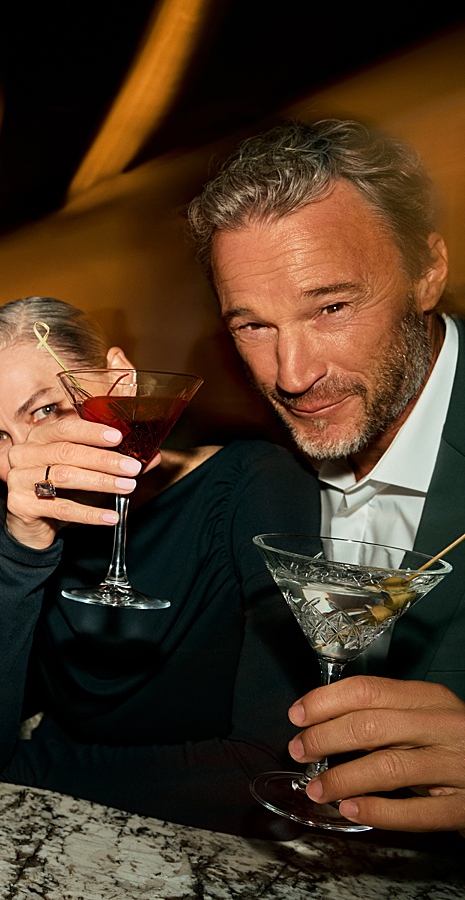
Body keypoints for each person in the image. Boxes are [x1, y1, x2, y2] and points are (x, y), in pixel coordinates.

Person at [0, 296, 319, 836]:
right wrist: (26, 545)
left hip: (206, 843)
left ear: (121, 381)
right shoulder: (6, 504)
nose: (25, 455)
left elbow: (270, 768)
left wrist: (23, 767)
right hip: (56, 831)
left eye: (44, 410)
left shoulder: (259, 483)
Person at [186, 118, 465, 833]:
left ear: (428, 271)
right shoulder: (253, 472)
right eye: (252, 326)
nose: (293, 375)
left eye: (331, 307)